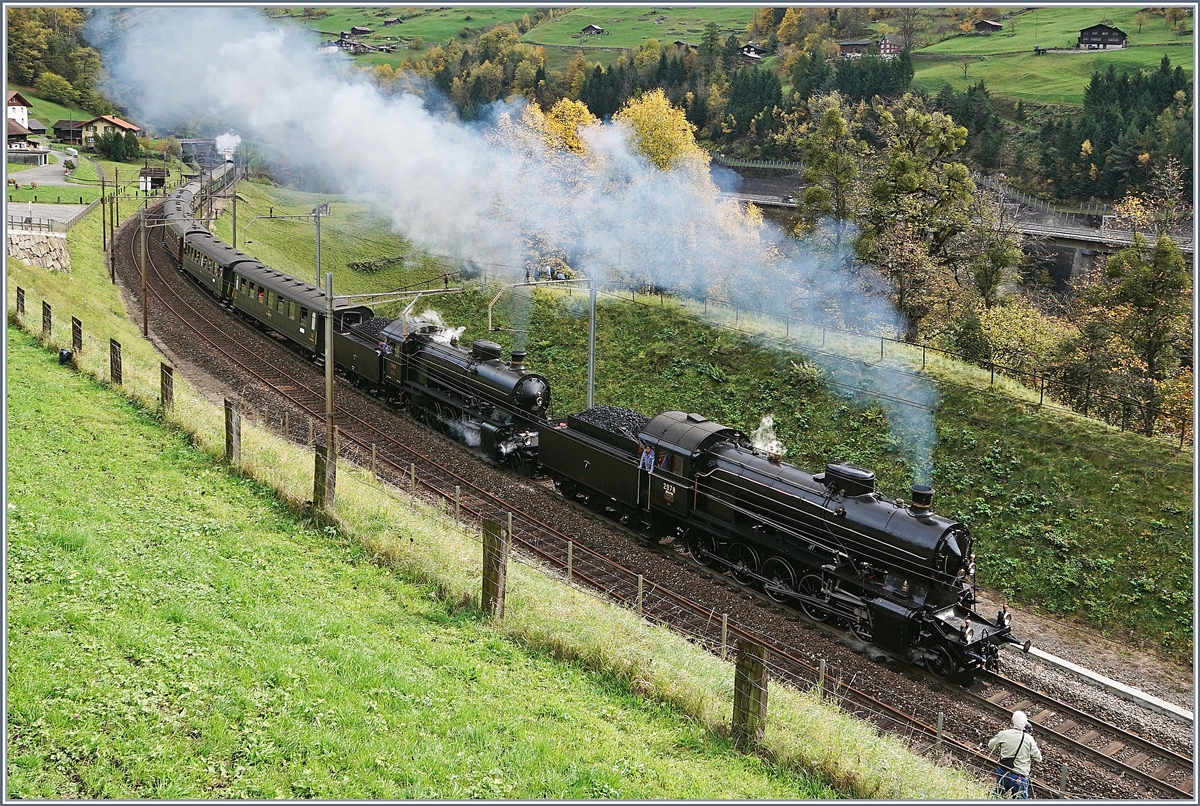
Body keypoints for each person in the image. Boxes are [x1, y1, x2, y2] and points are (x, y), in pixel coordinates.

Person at [988, 711, 1042, 799]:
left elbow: (991, 746)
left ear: (1012, 721)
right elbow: (1038, 758)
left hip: (1003, 771)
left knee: (998, 796)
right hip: (1019, 776)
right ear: (1025, 724)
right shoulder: (1029, 739)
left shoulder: (1003, 734)